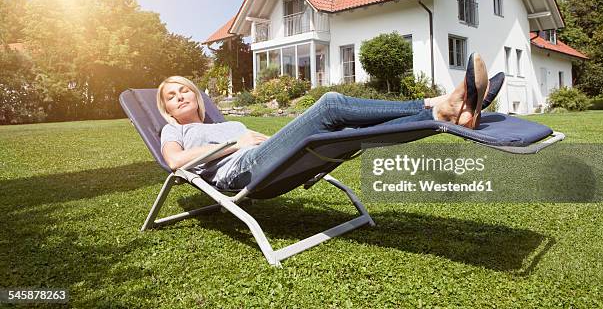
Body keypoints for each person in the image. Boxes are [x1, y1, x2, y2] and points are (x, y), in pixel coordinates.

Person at [158, 53, 504, 190]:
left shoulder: (225, 122)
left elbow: (266, 139)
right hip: (240, 171)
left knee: (345, 127)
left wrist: (260, 140)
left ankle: (446, 112)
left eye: (184, 90)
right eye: (171, 97)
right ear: (169, 111)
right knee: (330, 106)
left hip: (261, 158)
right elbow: (173, 161)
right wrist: (234, 144)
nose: (180, 97)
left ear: (197, 96)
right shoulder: (176, 129)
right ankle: (439, 105)